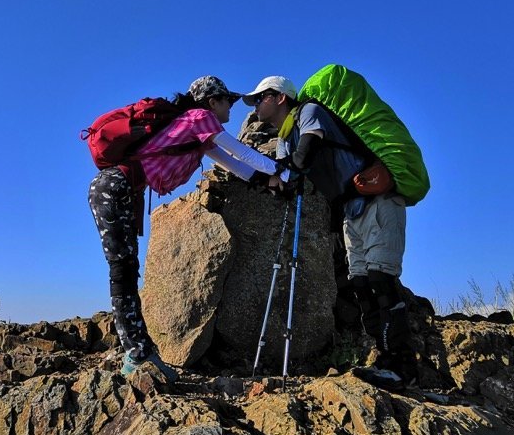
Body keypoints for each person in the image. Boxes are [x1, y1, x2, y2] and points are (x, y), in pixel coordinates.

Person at [88, 76, 285, 383]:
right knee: (123, 269)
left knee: (125, 267)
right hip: (116, 187)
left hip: (119, 189)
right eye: (227, 101)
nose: (231, 107)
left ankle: (136, 350)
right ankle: (137, 352)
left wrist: (263, 180)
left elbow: (234, 164)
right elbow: (241, 152)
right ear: (211, 102)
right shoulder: (200, 118)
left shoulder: (198, 132)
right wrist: (283, 170)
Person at [242, 75, 416, 389]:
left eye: (260, 97)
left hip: (377, 200)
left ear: (280, 97)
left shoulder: (308, 112)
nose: (255, 104)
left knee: (381, 279)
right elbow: (286, 174)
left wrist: (287, 169)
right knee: (362, 284)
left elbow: (309, 146)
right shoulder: (284, 136)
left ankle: (402, 365)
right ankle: (384, 359)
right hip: (351, 210)